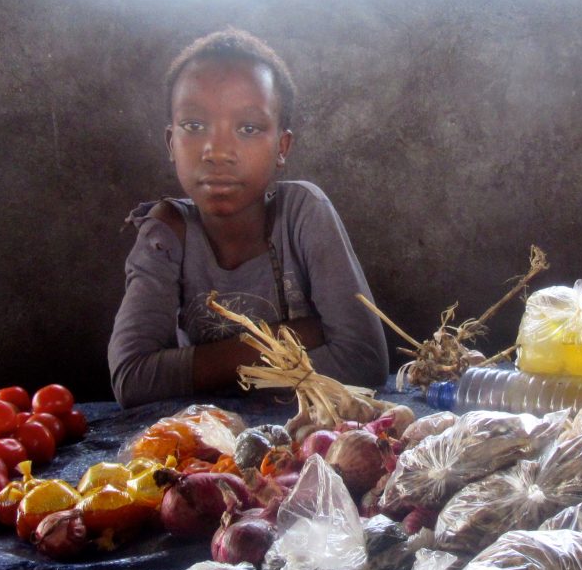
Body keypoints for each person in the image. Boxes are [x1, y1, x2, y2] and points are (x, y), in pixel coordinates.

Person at [108, 28, 389, 408]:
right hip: (213, 443)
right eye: (194, 126)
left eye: (249, 128)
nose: (218, 151)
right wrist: (297, 335)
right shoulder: (166, 232)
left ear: (281, 147)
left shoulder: (303, 213)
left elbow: (363, 361)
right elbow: (132, 378)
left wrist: (191, 374)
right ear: (171, 143)